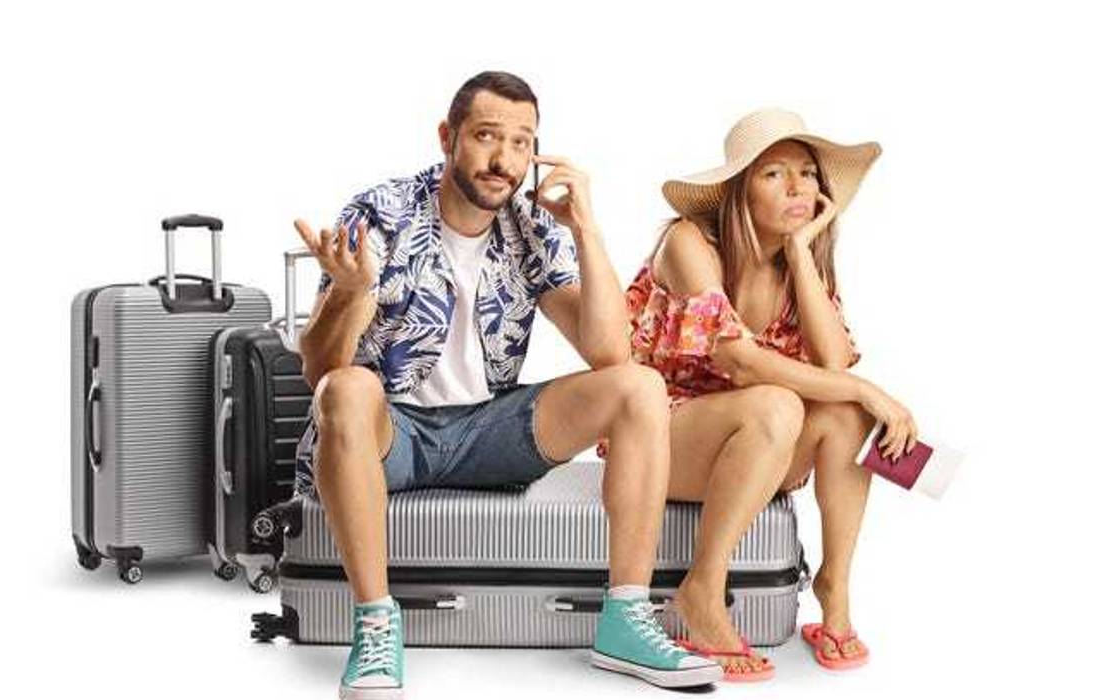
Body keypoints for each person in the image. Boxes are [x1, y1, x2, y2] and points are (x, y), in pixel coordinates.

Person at [292, 71, 721, 699]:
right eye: (488, 136)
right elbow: (319, 371)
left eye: (522, 143)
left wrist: (585, 227)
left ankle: (625, 619)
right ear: (448, 137)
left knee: (638, 387)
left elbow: (608, 351)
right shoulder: (381, 212)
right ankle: (377, 627)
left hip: (487, 430)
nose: (504, 160)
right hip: (394, 432)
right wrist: (350, 294)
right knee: (348, 389)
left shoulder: (530, 226)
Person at [626, 108, 919, 679]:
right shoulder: (689, 243)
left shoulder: (798, 265)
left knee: (842, 414)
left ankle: (834, 588)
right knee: (787, 399)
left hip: (761, 441)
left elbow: (833, 364)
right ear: (737, 192)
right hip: (662, 439)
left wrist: (802, 251)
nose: (798, 187)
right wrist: (869, 389)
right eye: (773, 174)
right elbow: (737, 361)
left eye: (808, 174)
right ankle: (703, 588)